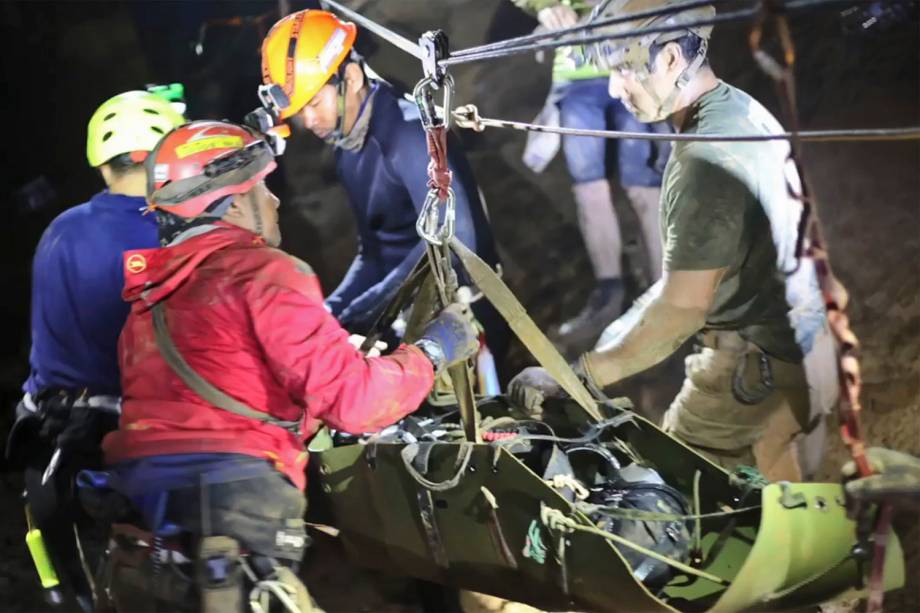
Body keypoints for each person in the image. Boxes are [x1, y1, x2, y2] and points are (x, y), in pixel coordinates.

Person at [100, 120, 479, 611]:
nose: (276, 201)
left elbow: (215, 403)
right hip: (235, 506)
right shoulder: (266, 273)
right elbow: (357, 402)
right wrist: (432, 352)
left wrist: (327, 376)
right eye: (263, 188)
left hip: (142, 512)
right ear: (234, 203)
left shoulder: (148, 304)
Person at [509, 0, 839, 482]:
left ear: (668, 59)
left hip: (755, 379)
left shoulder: (703, 163)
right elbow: (677, 285)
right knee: (790, 527)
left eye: (623, 69)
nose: (614, 89)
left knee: (676, 504)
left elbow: (681, 309)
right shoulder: (740, 108)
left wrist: (578, 376)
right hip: (811, 356)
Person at [5, 90, 185, 610]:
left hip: (46, 447)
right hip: (132, 456)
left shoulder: (58, 230)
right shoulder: (171, 235)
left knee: (72, 592)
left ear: (103, 165)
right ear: (163, 160)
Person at [259, 9, 510, 371]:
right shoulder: (348, 144)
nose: (308, 121)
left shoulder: (409, 135)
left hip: (465, 320)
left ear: (353, 76)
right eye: (300, 111)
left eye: (314, 103)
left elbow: (455, 245)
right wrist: (333, 310)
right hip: (408, 313)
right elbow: (375, 251)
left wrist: (364, 310)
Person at [512, 0, 670, 353]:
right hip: (576, 71)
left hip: (635, 59)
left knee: (643, 186)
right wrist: (545, 6)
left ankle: (667, 296)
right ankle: (609, 294)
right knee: (589, 188)